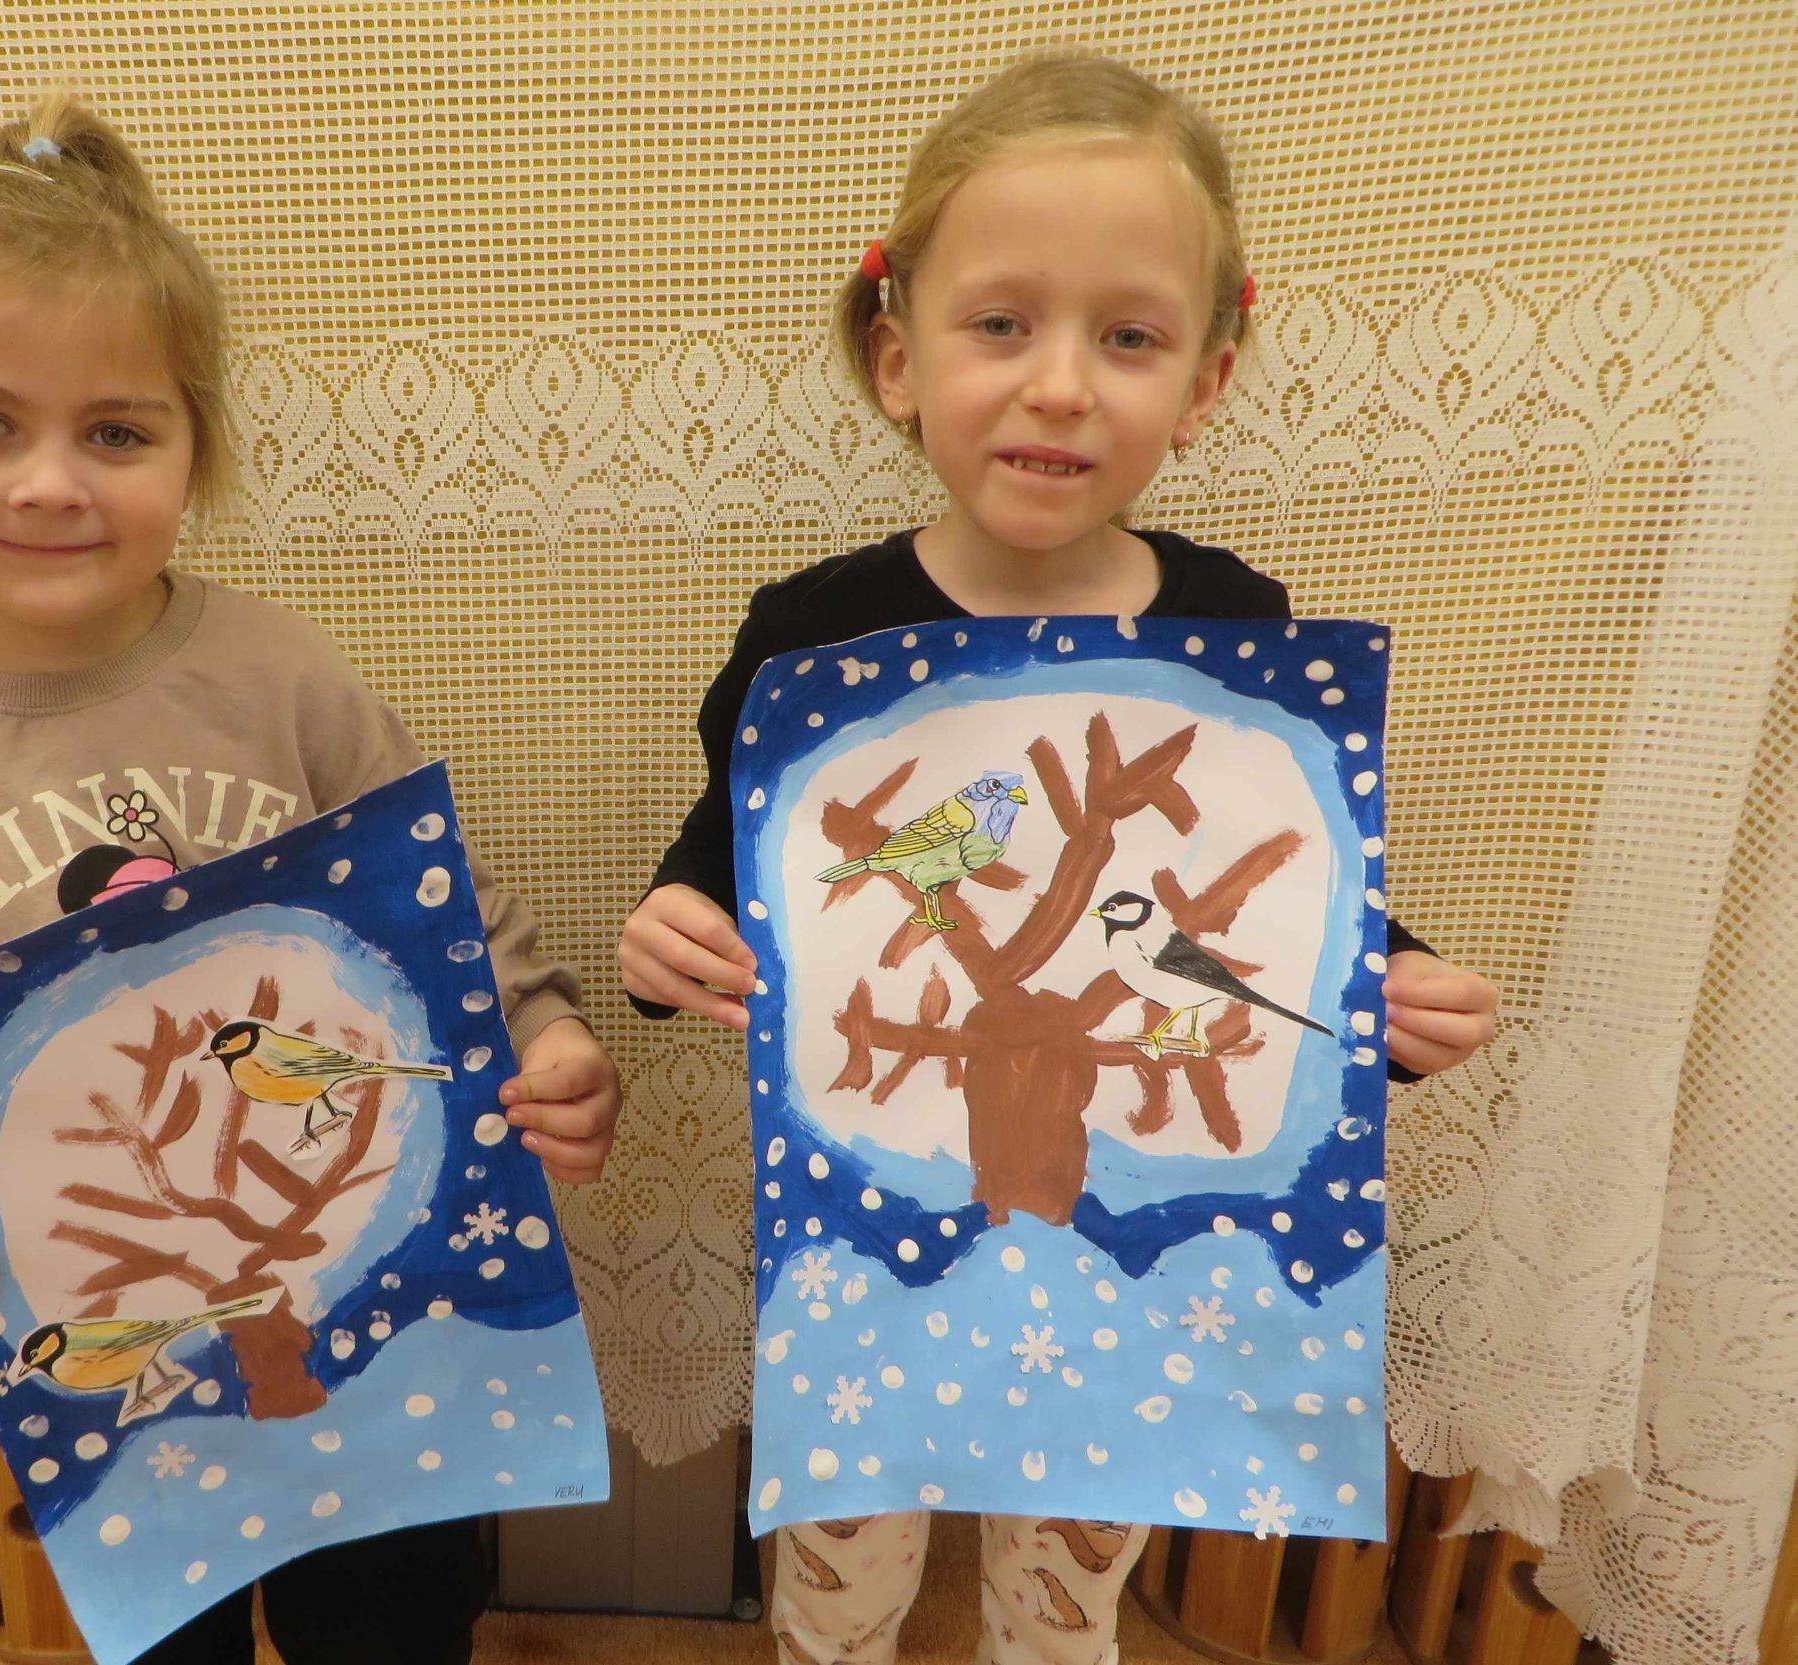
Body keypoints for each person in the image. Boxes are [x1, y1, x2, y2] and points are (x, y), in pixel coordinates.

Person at [0, 92, 620, 1665]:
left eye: (117, 432)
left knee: (396, 1627)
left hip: (371, 1325)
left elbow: (450, 920)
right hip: (114, 1385)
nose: (51, 483)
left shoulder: (287, 682)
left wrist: (543, 1037)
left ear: (195, 452)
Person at [616, 51, 1497, 1665]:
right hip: (873, 1236)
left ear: (1207, 381)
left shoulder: (1234, 627)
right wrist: (671, 929)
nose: (1064, 385)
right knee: (842, 1566)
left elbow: (1288, 899)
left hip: (1126, 1240)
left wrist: (1396, 982)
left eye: (1130, 337)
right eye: (1004, 324)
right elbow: (730, 868)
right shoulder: (817, 635)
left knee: (1071, 1572)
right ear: (899, 356)